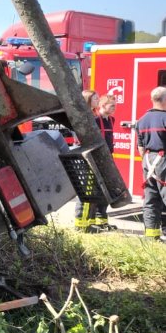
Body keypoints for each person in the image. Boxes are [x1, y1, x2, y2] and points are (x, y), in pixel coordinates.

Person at [136, 86, 166, 241]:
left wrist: (149, 163)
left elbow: (140, 147)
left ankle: (151, 236)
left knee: (151, 199)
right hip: (164, 160)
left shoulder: (142, 120)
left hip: (148, 161)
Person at [74, 90, 101, 232]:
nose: (98, 100)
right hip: (86, 157)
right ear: (88, 100)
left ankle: (89, 222)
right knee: (87, 190)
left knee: (93, 190)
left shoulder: (94, 115)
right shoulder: (85, 116)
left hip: (92, 156)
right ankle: (81, 225)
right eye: (95, 98)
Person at [91, 95, 116, 231]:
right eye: (111, 105)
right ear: (102, 105)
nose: (114, 108)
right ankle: (91, 220)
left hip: (108, 158)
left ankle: (102, 220)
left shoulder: (111, 120)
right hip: (97, 159)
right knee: (96, 189)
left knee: (106, 190)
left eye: (114, 105)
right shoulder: (95, 120)